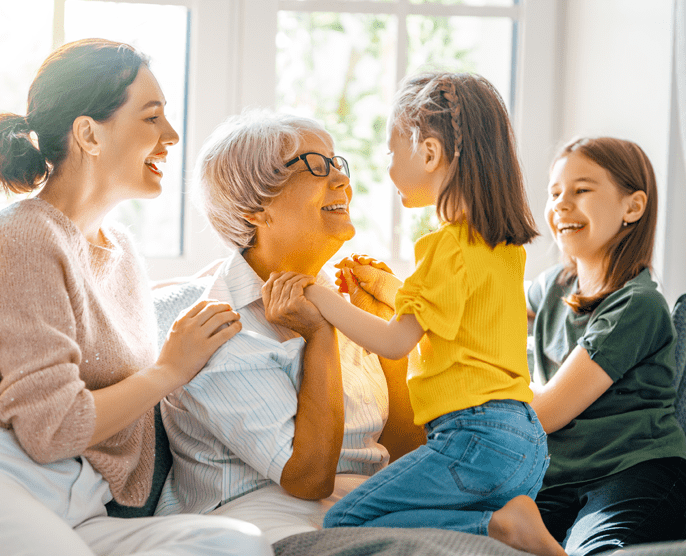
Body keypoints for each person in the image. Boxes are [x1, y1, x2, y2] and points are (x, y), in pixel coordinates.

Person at [0, 38, 272, 556]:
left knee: (234, 543)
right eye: (151, 118)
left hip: (78, 498)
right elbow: (51, 430)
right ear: (88, 134)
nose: (171, 135)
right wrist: (170, 370)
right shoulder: (25, 236)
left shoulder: (120, 250)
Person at [296, 70, 566, 556]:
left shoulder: (443, 247)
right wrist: (389, 287)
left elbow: (397, 341)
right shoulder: (502, 246)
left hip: (473, 437)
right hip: (525, 442)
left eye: (390, 150)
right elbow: (457, 321)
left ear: (428, 153)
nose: (386, 164)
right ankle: (503, 520)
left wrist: (320, 298)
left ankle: (499, 526)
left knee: (344, 519)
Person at [154, 108, 426, 543]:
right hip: (262, 521)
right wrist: (320, 337)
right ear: (254, 209)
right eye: (316, 166)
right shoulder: (218, 326)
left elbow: (400, 449)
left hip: (364, 508)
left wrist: (382, 333)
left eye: (337, 162)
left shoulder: (336, 297)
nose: (341, 179)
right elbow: (308, 478)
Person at [527, 136, 686, 556]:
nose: (561, 204)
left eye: (581, 190)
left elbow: (545, 414)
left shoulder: (638, 305)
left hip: (635, 471)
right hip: (562, 479)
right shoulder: (553, 287)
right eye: (554, 192)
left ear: (632, 207)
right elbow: (480, 310)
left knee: (596, 550)